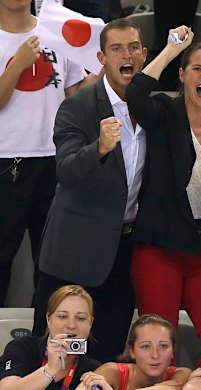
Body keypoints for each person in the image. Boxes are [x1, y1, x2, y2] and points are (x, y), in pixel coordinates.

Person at [32, 18, 147, 363]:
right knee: (54, 354)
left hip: (123, 252)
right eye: (116, 49)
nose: (126, 55)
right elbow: (66, 171)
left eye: (132, 48)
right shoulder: (77, 107)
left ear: (144, 54)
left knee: (106, 353)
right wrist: (98, 147)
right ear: (101, 57)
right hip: (74, 251)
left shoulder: (153, 108)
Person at [125, 29, 201, 365]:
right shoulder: (165, 113)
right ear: (183, 76)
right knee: (157, 350)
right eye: (197, 69)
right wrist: (172, 50)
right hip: (160, 250)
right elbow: (137, 93)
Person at [0, 0, 98, 307]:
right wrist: (17, 64)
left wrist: (103, 71)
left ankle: (47, 348)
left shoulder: (55, 31)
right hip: (7, 160)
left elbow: (75, 95)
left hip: (56, 163)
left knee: (53, 263)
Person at [0, 285, 100, 390]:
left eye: (80, 318)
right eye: (62, 316)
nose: (71, 325)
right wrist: (49, 369)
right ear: (49, 319)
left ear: (91, 323)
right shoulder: (22, 348)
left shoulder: (93, 370)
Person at [76, 314, 191, 390]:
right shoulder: (111, 372)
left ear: (173, 351)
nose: (155, 355)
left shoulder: (182, 375)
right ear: (131, 351)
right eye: (145, 346)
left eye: (163, 346)